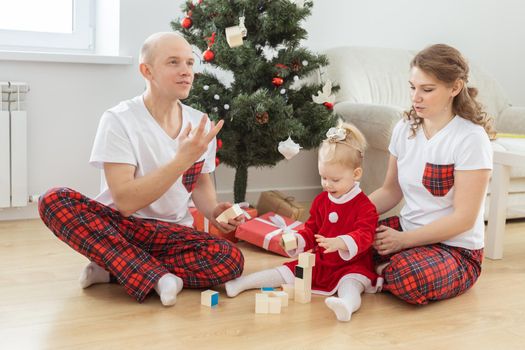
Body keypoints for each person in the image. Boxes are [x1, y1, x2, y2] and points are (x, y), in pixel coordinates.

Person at [38, 32, 245, 306]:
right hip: (122, 227)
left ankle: (116, 268)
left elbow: (200, 185)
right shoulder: (118, 120)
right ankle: (156, 276)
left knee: (230, 259)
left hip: (172, 234)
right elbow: (125, 201)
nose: (186, 72)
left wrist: (214, 211)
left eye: (190, 63)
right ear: (146, 70)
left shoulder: (200, 124)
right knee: (53, 201)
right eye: (174, 62)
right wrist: (181, 160)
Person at [369, 44, 494, 305]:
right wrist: (348, 214)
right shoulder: (404, 129)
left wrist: (403, 241)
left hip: (456, 250)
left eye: (427, 90)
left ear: (455, 88)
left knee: (406, 274)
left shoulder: (471, 138)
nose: (416, 97)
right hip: (407, 232)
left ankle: (376, 272)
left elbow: (463, 219)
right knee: (349, 241)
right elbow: (390, 191)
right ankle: (378, 271)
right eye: (413, 87)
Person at [225, 122, 380, 322]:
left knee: (350, 285)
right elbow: (311, 230)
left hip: (352, 266)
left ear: (356, 174)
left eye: (334, 180)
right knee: (286, 270)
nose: (326, 184)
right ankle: (243, 282)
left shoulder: (365, 206)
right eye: (323, 177)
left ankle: (346, 306)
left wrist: (340, 242)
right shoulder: (321, 201)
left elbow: (365, 236)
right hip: (321, 263)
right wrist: (296, 240)